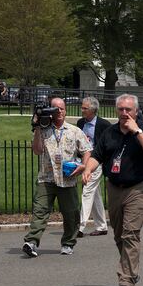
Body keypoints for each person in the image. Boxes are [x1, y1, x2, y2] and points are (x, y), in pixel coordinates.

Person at [82, 94, 143, 286]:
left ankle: (126, 281)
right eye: (121, 110)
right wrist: (88, 170)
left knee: (130, 234)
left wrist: (138, 132)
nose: (124, 113)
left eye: (128, 110)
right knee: (119, 234)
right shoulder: (110, 132)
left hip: (138, 188)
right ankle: (131, 270)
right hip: (115, 187)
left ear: (135, 111)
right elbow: (97, 155)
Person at [22, 97, 91, 258]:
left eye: (61, 108)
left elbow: (87, 151)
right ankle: (31, 242)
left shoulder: (74, 131)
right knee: (40, 211)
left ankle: (68, 243)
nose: (59, 111)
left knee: (71, 213)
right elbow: (37, 151)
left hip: (67, 179)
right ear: (49, 111)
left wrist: (83, 166)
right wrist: (37, 127)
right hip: (46, 179)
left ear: (66, 111)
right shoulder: (44, 129)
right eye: (55, 109)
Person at [77, 97, 111, 238]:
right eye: (82, 107)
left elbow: (109, 145)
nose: (82, 110)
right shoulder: (80, 123)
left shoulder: (104, 124)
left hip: (96, 162)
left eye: (85, 108)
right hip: (83, 160)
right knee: (95, 194)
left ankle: (80, 226)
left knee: (87, 190)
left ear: (92, 110)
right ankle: (102, 226)